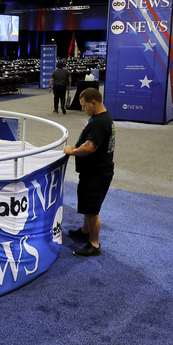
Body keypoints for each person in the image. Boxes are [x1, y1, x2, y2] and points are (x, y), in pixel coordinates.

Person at [64, 88, 115, 257]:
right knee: (87, 205)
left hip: (97, 172)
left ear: (94, 103)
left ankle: (94, 244)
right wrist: (76, 146)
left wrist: (73, 150)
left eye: (84, 106)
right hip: (92, 171)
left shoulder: (100, 122)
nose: (82, 109)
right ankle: (85, 231)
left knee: (92, 210)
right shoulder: (99, 118)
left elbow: (90, 147)